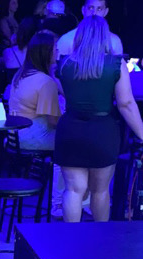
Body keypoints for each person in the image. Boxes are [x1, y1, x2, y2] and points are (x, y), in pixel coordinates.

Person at [56, 16, 143, 221]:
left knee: (73, 190)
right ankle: (99, 237)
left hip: (70, 130)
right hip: (102, 132)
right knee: (101, 191)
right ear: (105, 37)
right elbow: (126, 104)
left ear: (79, 36)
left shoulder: (64, 64)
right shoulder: (116, 65)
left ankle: (70, 238)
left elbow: (63, 92)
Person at [8, 31, 61, 151]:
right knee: (77, 140)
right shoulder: (45, 82)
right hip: (34, 137)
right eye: (55, 49)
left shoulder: (20, 74)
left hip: (15, 135)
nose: (58, 52)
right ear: (46, 52)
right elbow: (53, 122)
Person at [56, 0, 124, 58]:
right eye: (90, 8)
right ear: (83, 10)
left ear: (106, 12)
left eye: (99, 9)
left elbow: (118, 64)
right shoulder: (67, 39)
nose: (94, 13)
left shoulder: (114, 41)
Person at [3, 16, 40, 84]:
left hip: (12, 89)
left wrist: (12, 44)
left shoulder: (8, 52)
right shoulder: (39, 53)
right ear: (36, 33)